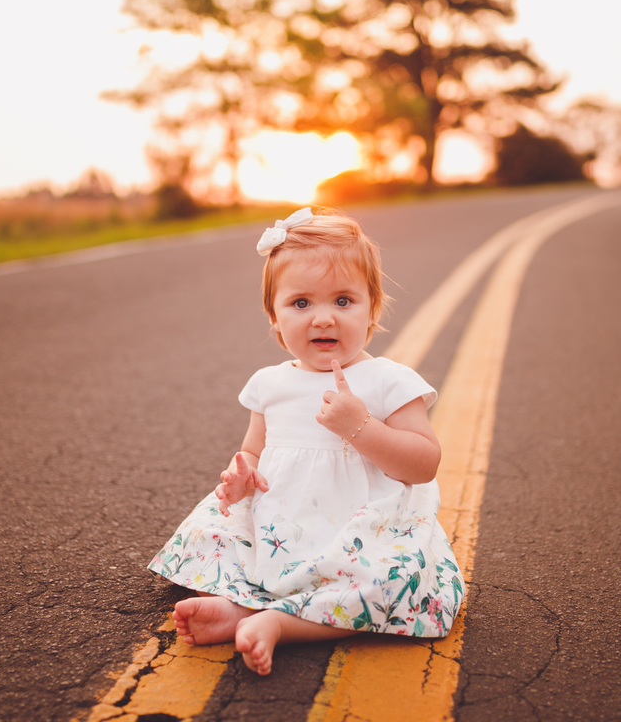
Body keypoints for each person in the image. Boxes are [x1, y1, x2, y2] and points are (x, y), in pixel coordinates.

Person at [147, 207, 463, 676]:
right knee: (211, 539)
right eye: (300, 304)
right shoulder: (270, 384)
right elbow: (252, 450)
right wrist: (241, 476)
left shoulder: (387, 380)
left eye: (343, 301)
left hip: (361, 530)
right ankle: (239, 610)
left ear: (372, 308)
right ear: (274, 317)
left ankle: (280, 622)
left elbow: (424, 464)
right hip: (281, 524)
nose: (323, 319)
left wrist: (361, 426)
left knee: (387, 585)